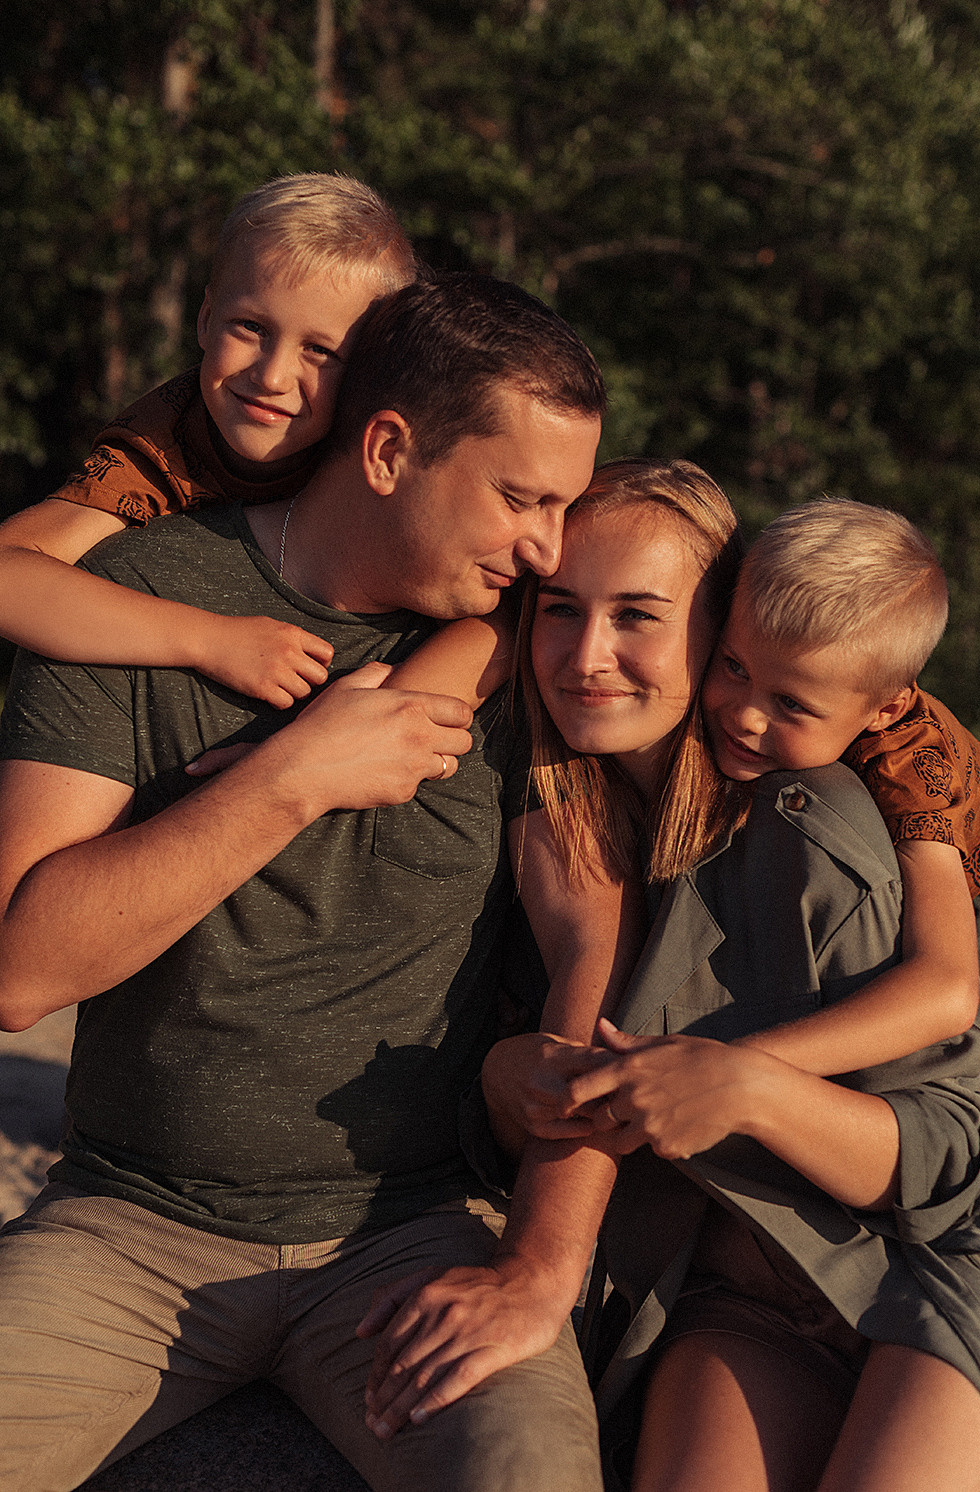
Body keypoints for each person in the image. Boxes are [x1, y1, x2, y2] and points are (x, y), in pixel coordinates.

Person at [0, 273, 606, 1492]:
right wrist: (289, 778)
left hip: (415, 1238)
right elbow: (20, 974)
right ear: (387, 450)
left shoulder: (534, 645)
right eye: (521, 499)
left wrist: (540, 1267)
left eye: (565, 506)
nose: (550, 547)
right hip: (126, 1228)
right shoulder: (137, 600)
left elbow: (597, 932)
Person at [360, 464, 980, 1492]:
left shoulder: (817, 834)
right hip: (738, 1292)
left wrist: (748, 1085)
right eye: (561, 610)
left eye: (638, 617)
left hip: (928, 1270)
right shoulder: (560, 818)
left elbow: (949, 1155)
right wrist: (508, 1077)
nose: (588, 656)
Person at [0, 172, 420, 707]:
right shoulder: (165, 443)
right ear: (204, 319)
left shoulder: (385, 447)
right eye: (251, 327)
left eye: (319, 351)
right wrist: (211, 641)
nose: (272, 377)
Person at [702, 497, 980, 1078]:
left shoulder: (912, 776)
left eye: (790, 704)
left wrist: (738, 1070)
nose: (745, 716)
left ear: (885, 711)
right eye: (734, 666)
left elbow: (948, 992)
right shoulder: (819, 694)